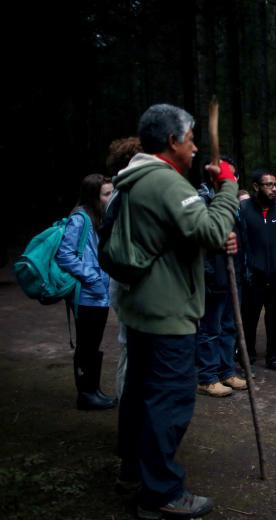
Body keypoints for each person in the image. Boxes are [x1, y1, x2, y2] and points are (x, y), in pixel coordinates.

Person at [115, 103, 238, 518]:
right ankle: (161, 494)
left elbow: (183, 233)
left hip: (141, 307)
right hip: (168, 312)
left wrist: (208, 222)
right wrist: (227, 189)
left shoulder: (134, 177)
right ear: (172, 141)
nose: (196, 146)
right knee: (169, 402)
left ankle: (133, 472)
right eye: (189, 139)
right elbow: (209, 228)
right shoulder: (165, 183)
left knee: (141, 397)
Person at [55, 174, 115, 410]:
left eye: (112, 192)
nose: (110, 198)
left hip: (98, 294)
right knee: (86, 344)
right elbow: (65, 254)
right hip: (86, 294)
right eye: (106, 194)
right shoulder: (80, 219)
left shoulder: (98, 217)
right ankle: (86, 394)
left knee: (94, 343)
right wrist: (93, 278)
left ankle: (93, 389)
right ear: (93, 196)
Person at [194, 158, 248, 397]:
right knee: (210, 328)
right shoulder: (201, 202)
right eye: (229, 176)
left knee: (229, 326)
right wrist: (209, 274)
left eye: (235, 177)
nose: (234, 181)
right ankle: (207, 376)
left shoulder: (234, 205)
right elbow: (200, 241)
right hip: (213, 277)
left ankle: (227, 371)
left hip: (231, 275)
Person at [238, 169, 276, 374]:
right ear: (256, 187)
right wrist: (246, 268)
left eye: (274, 185)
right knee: (249, 319)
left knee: (275, 318)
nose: (273, 189)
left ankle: (274, 357)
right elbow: (240, 242)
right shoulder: (243, 209)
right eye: (268, 185)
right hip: (253, 276)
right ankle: (247, 358)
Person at [105, 136, 143, 402]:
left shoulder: (122, 191)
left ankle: (128, 411)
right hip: (129, 284)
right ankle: (129, 414)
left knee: (132, 349)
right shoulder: (126, 192)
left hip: (124, 282)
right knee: (133, 350)